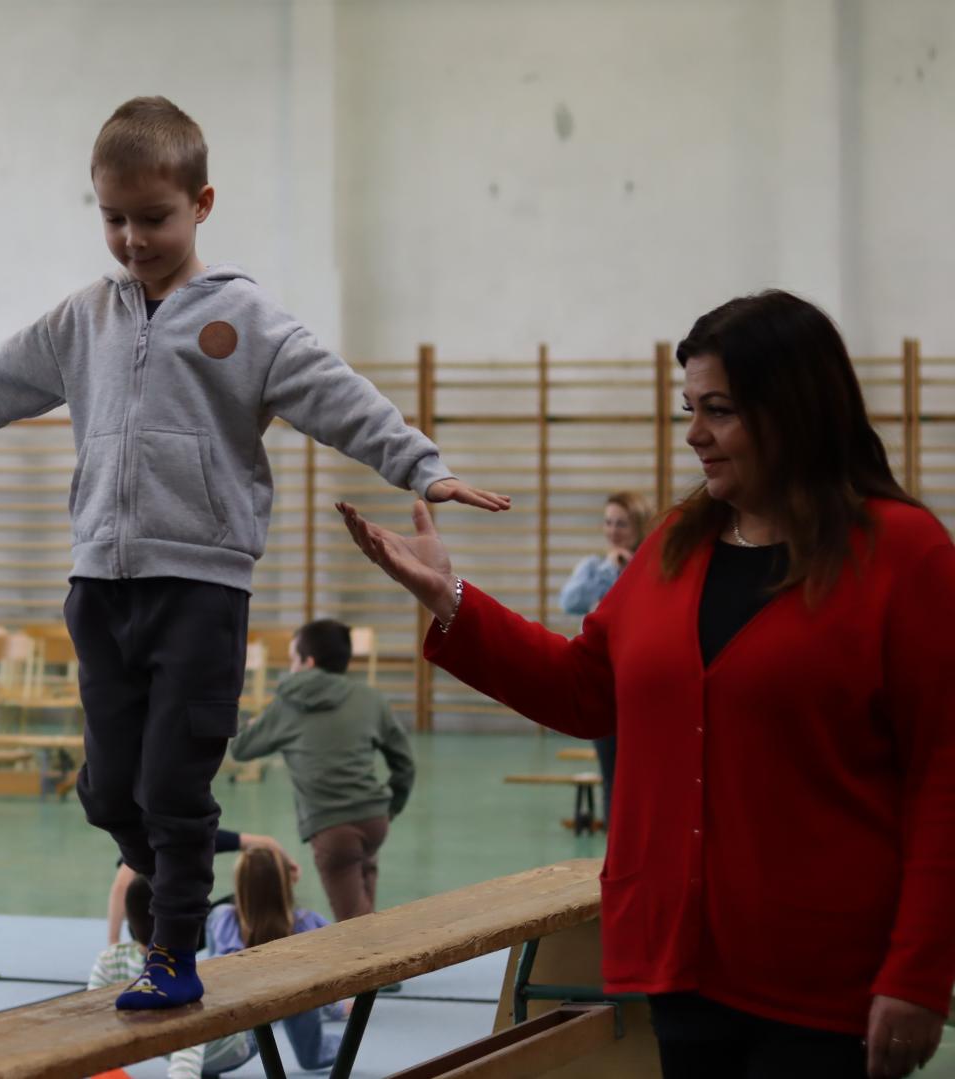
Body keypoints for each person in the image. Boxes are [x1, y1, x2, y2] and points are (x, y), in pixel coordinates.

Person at [0, 94, 508, 1011]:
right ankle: (180, 875)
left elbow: (338, 395)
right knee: (107, 792)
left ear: (202, 204)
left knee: (174, 783)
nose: (133, 239)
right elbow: (0, 379)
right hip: (100, 583)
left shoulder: (245, 320)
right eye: (114, 218)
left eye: (154, 217)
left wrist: (422, 465)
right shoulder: (84, 318)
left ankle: (173, 950)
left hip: (201, 589)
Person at [336, 290, 954, 1079]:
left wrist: (919, 969)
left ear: (795, 409)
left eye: (719, 410)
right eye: (690, 409)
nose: (694, 434)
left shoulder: (903, 554)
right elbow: (583, 688)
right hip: (679, 965)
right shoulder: (677, 545)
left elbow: (943, 777)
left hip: (826, 977)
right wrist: (449, 597)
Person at [229, 619, 413, 920]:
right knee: (366, 908)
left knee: (356, 927)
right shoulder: (370, 698)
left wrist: (254, 724)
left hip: (332, 827)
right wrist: (390, 808)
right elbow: (404, 762)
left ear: (309, 662)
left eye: (293, 659)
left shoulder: (286, 705)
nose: (290, 667)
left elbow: (241, 748)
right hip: (374, 819)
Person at [88, 873, 253, 1078]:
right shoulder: (180, 975)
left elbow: (91, 1025)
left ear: (130, 920)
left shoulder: (110, 959)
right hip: (230, 1051)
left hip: (187, 1047)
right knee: (220, 915)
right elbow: (188, 1051)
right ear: (173, 923)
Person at [205, 846, 348, 1071]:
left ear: (239, 885)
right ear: (286, 882)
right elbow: (323, 979)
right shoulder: (304, 924)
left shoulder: (222, 918)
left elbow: (217, 970)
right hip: (251, 1035)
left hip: (216, 1042)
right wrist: (336, 1009)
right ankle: (315, 1051)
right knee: (298, 983)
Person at [556, 490, 652, 822]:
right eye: (608, 523)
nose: (613, 531)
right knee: (612, 776)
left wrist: (629, 568)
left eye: (621, 524)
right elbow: (570, 601)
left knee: (646, 776)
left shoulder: (652, 566)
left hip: (644, 684)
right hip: (605, 683)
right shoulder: (594, 567)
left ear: (639, 526)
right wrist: (608, 570)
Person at [104, 829, 296, 946]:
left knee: (237, 901)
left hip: (153, 928)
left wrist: (113, 942)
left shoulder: (194, 834)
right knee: (242, 900)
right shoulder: (192, 834)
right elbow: (121, 886)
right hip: (158, 928)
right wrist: (289, 868)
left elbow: (121, 886)